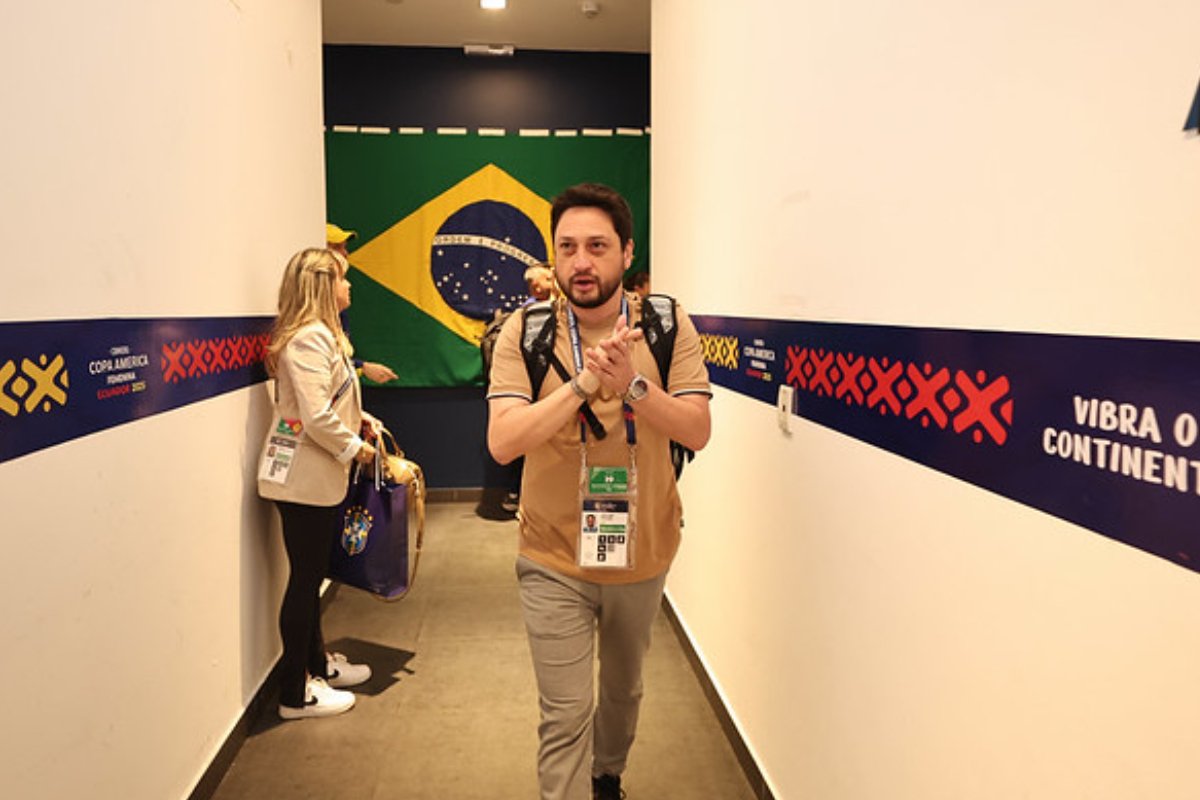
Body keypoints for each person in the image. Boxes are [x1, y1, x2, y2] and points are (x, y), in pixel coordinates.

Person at [486, 184, 712, 800]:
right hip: (552, 554)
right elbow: (504, 441)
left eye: (597, 246)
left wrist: (633, 383)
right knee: (564, 713)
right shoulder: (525, 332)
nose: (581, 262)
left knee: (622, 691)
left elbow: (696, 429)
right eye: (567, 248)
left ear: (626, 252)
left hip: (643, 550)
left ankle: (607, 775)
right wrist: (584, 384)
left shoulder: (666, 324)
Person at [257, 247, 378, 720]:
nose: (349, 287)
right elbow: (315, 416)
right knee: (305, 581)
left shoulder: (322, 336)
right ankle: (294, 693)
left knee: (312, 578)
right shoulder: (308, 339)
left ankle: (318, 667)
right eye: (343, 279)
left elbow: (332, 401)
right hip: (303, 480)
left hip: (314, 477)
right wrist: (356, 448)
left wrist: (360, 421)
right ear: (324, 286)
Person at [326, 223, 399, 385]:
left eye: (344, 247)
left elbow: (340, 360)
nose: (345, 253)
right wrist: (362, 367)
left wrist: (362, 367)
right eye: (336, 247)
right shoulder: (311, 334)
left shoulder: (339, 310)